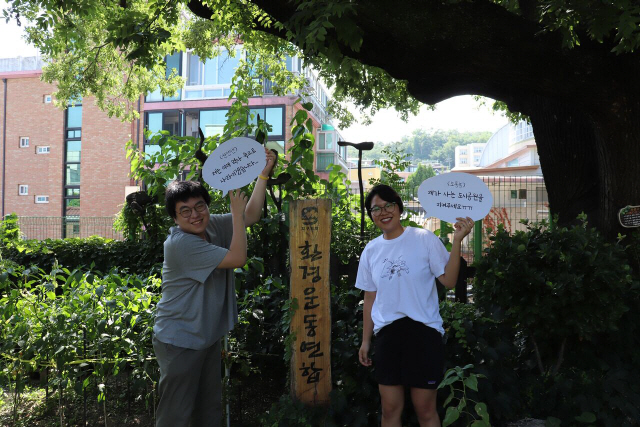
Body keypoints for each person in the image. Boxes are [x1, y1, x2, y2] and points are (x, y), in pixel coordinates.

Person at [152, 148, 275, 427]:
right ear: (174, 217)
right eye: (185, 211)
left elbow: (251, 216)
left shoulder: (211, 226)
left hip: (205, 337)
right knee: (176, 416)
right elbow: (237, 258)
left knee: (207, 411)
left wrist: (263, 175)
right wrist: (235, 212)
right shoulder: (181, 244)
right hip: (179, 340)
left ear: (207, 206)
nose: (194, 215)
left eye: (200, 206)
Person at [356, 184, 473, 427]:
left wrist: (457, 241)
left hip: (424, 333)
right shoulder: (371, 250)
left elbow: (449, 281)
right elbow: (370, 299)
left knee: (426, 409)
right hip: (387, 335)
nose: (383, 212)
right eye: (375, 209)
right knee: (389, 410)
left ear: (398, 207)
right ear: (370, 215)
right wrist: (366, 340)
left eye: (388, 205)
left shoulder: (423, 239)